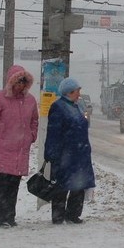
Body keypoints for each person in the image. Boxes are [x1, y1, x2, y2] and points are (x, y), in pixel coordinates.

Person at [0, 65, 39, 228]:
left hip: (20, 152)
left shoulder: (31, 101)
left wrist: (31, 136)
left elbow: (34, 120)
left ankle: (9, 217)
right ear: (11, 82)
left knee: (13, 186)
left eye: (24, 82)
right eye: (18, 81)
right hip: (1, 150)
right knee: (1, 186)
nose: (21, 85)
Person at [44, 77, 96, 225]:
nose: (79, 94)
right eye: (77, 91)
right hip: (64, 154)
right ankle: (58, 216)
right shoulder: (58, 107)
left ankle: (73, 215)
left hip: (80, 154)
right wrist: (51, 153)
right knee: (61, 186)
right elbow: (53, 132)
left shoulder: (77, 106)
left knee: (79, 185)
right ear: (69, 92)